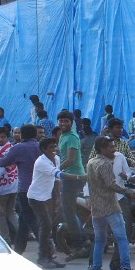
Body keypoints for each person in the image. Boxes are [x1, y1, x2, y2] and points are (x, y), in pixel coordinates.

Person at [87, 136, 135, 270]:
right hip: (111, 206)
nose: (114, 150)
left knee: (99, 241)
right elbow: (112, 184)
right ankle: (126, 267)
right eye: (111, 147)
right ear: (102, 149)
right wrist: (128, 191)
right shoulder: (105, 164)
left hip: (97, 209)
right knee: (122, 238)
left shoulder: (91, 162)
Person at [28, 137, 82, 269]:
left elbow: (56, 181)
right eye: (51, 147)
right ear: (44, 149)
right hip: (36, 197)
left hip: (48, 196)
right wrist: (79, 177)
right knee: (45, 226)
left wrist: (57, 197)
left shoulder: (56, 159)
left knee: (49, 225)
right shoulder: (41, 162)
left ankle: (48, 256)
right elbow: (59, 175)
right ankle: (43, 257)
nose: (54, 150)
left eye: (55, 147)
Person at [0, 123, 41, 254]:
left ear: (22, 135)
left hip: (24, 188)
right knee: (24, 219)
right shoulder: (41, 146)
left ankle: (46, 246)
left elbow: (4, 162)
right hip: (40, 188)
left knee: (30, 218)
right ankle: (18, 250)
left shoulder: (18, 148)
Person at [57, 110, 88, 258]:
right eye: (61, 121)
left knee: (68, 212)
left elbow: (70, 159)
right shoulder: (63, 136)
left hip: (73, 177)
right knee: (69, 211)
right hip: (68, 177)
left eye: (66, 121)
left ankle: (79, 245)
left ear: (71, 123)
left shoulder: (72, 137)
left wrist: (55, 170)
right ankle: (84, 240)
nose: (63, 124)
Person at [0, 126, 18, 242]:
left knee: (0, 213)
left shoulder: (2, 150)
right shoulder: (8, 147)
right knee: (11, 211)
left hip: (2, 186)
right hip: (12, 185)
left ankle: (5, 237)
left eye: (3, 137)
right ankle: (21, 234)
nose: (0, 139)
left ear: (7, 137)